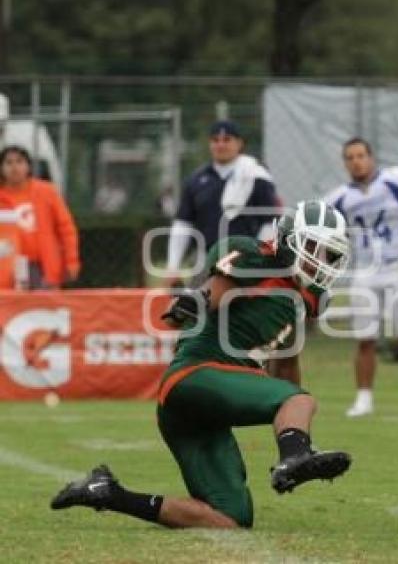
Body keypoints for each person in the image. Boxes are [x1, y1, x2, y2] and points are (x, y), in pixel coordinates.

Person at [51, 200, 353, 529]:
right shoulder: (256, 257)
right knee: (300, 399)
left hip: (196, 407)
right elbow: (214, 291)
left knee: (230, 518)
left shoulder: (307, 298)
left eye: (329, 254)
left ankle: (108, 492)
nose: (319, 261)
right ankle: (295, 459)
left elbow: (287, 360)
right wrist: (193, 301)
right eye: (313, 248)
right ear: (288, 239)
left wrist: (291, 419)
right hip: (195, 374)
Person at [325, 138, 398, 417]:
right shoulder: (339, 198)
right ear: (344, 162)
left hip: (397, 268)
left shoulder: (394, 184)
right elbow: (330, 239)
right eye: (349, 157)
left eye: (360, 155)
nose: (356, 161)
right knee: (365, 338)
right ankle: (364, 399)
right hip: (364, 272)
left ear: (371, 157)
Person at [166, 120, 280, 287]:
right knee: (195, 307)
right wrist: (173, 266)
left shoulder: (256, 177)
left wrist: (259, 259)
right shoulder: (196, 180)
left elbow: (270, 223)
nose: (221, 144)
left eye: (227, 139)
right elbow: (183, 223)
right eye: (215, 140)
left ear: (239, 143)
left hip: (245, 262)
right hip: (206, 259)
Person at [0, 145, 79, 289]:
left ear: (28, 166)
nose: (14, 167)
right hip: (7, 268)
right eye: (9, 163)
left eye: (19, 162)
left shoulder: (47, 192)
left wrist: (71, 261)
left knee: (44, 308)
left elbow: (66, 229)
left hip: (43, 266)